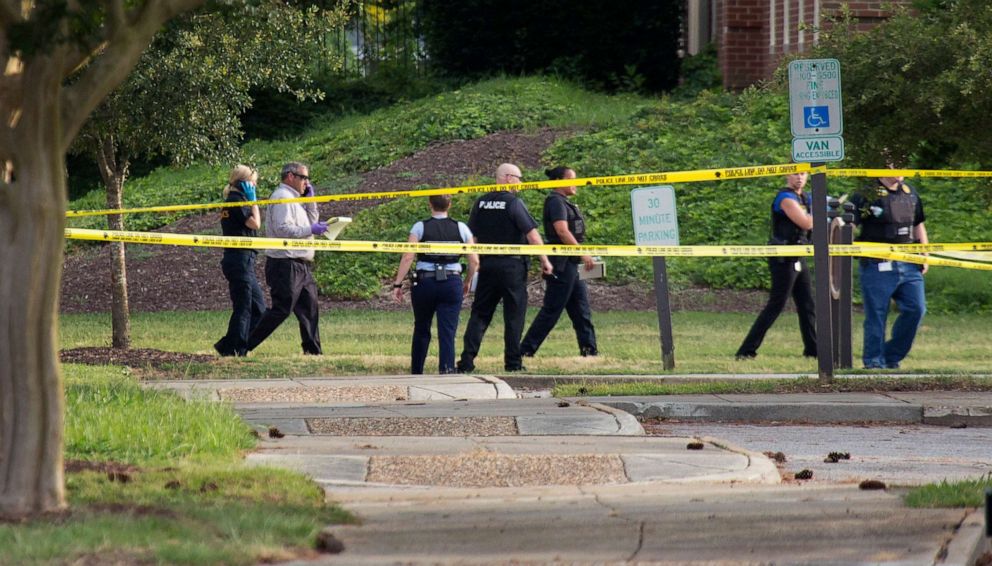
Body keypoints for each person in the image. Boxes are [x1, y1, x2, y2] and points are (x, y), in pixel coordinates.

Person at [456, 163, 553, 373]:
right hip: (512, 266)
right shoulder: (513, 203)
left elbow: (471, 237)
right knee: (514, 316)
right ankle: (513, 363)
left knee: (480, 314)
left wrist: (474, 264)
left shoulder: (480, 203)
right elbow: (533, 235)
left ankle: (466, 361)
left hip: (487, 265)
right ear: (508, 178)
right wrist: (545, 260)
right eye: (519, 178)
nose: (521, 183)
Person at [246, 162, 327, 355]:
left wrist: (310, 202)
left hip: (302, 264)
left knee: (310, 309)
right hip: (285, 263)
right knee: (281, 309)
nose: (306, 182)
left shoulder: (296, 199)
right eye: (304, 178)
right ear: (290, 176)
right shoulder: (282, 197)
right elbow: (284, 229)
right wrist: (310, 230)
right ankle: (242, 344)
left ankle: (313, 352)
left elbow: (312, 222)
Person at [392, 195, 479, 374]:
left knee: (422, 327)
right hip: (452, 281)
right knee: (447, 330)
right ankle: (446, 369)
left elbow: (408, 256)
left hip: (425, 282)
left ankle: (417, 370)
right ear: (450, 205)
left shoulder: (420, 227)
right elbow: (474, 261)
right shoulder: (461, 228)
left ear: (429, 204)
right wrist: (467, 281)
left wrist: (398, 284)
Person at [849, 170, 928, 369]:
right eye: (895, 164)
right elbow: (848, 226)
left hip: (909, 263)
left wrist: (925, 254)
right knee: (877, 314)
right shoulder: (865, 195)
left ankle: (891, 355)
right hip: (877, 263)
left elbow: (918, 225)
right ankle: (874, 362)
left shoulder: (910, 192)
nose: (901, 170)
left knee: (916, 309)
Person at [736, 172, 817, 360]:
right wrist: (821, 210)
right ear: (787, 175)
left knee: (807, 305)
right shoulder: (785, 198)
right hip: (783, 257)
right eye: (795, 173)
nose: (799, 177)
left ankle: (813, 350)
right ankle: (746, 350)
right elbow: (806, 222)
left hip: (798, 255)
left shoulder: (805, 197)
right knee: (776, 305)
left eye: (803, 174)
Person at [520, 166, 598, 357]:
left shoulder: (566, 202)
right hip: (562, 263)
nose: (575, 183)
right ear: (557, 182)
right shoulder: (555, 202)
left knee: (581, 309)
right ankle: (525, 350)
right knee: (552, 309)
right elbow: (562, 231)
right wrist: (582, 254)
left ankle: (589, 350)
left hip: (571, 262)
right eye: (571, 179)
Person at [214, 165, 267, 357]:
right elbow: (256, 223)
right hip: (240, 260)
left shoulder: (234, 201)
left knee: (259, 309)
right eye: (253, 182)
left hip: (243, 260)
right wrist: (254, 202)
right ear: (243, 183)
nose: (255, 185)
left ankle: (229, 345)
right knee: (244, 308)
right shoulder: (236, 202)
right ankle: (234, 350)